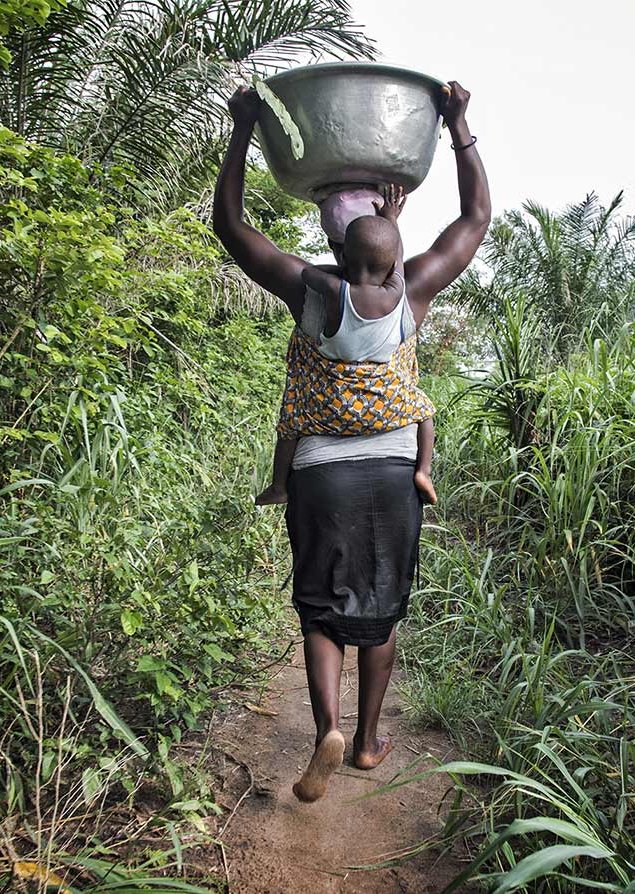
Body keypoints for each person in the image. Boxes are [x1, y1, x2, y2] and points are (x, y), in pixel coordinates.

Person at [213, 79, 488, 802]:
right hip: (395, 468)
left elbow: (232, 226)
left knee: (320, 607)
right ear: (397, 253)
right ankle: (366, 742)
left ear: (333, 241)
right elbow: (474, 218)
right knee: (382, 606)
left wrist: (243, 127)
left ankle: (325, 731)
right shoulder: (416, 290)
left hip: (318, 470)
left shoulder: (310, 289)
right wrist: (458, 126)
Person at [253, 183, 439, 507]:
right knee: (424, 412)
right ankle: (424, 470)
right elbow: (396, 261)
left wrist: (336, 272)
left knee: (291, 422)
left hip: (328, 407)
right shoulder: (396, 293)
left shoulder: (336, 292)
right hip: (388, 406)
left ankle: (278, 485)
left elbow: (307, 274)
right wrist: (391, 219)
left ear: (344, 256)